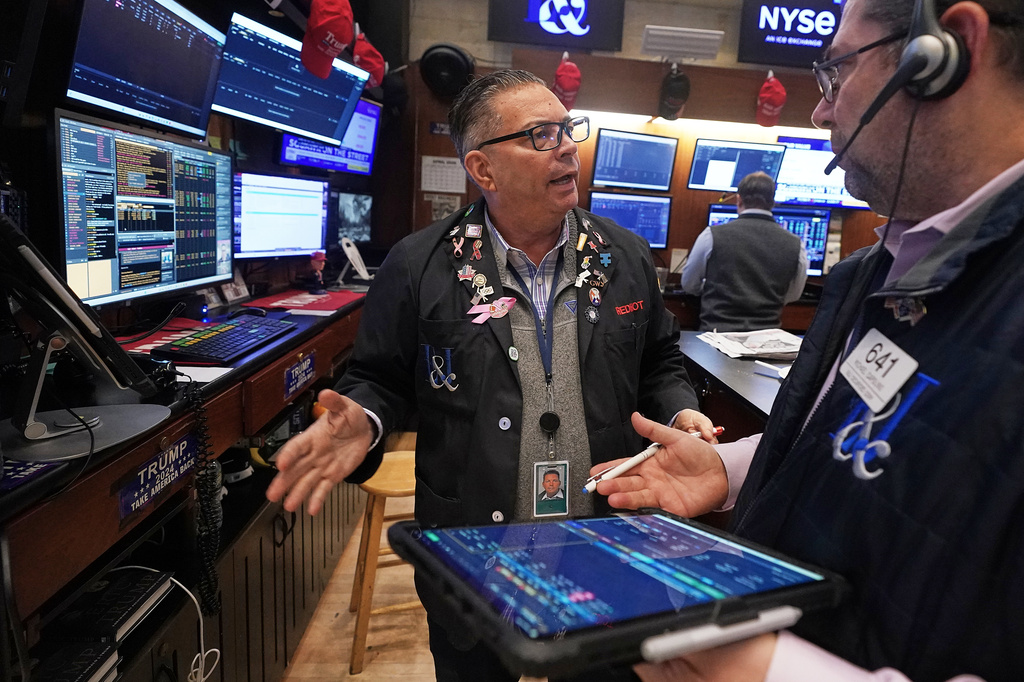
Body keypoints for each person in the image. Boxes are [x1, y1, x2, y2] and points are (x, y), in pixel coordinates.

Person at [594, 0, 1024, 680]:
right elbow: (864, 442)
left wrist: (762, 669)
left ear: (948, 55)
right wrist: (732, 469)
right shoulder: (873, 271)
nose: (820, 112)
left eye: (835, 74)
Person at [266, 69, 717, 681]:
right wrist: (365, 420)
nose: (566, 146)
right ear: (483, 170)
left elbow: (660, 360)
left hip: (606, 544)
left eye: (568, 129)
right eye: (540, 135)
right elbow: (382, 379)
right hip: (474, 545)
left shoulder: (626, 256)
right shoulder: (418, 264)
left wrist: (678, 411)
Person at [679, 171, 808, 332]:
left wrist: (714, 287)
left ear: (738, 199)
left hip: (716, 338)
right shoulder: (796, 244)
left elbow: (689, 285)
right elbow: (793, 295)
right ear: (772, 202)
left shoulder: (711, 235)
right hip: (766, 342)